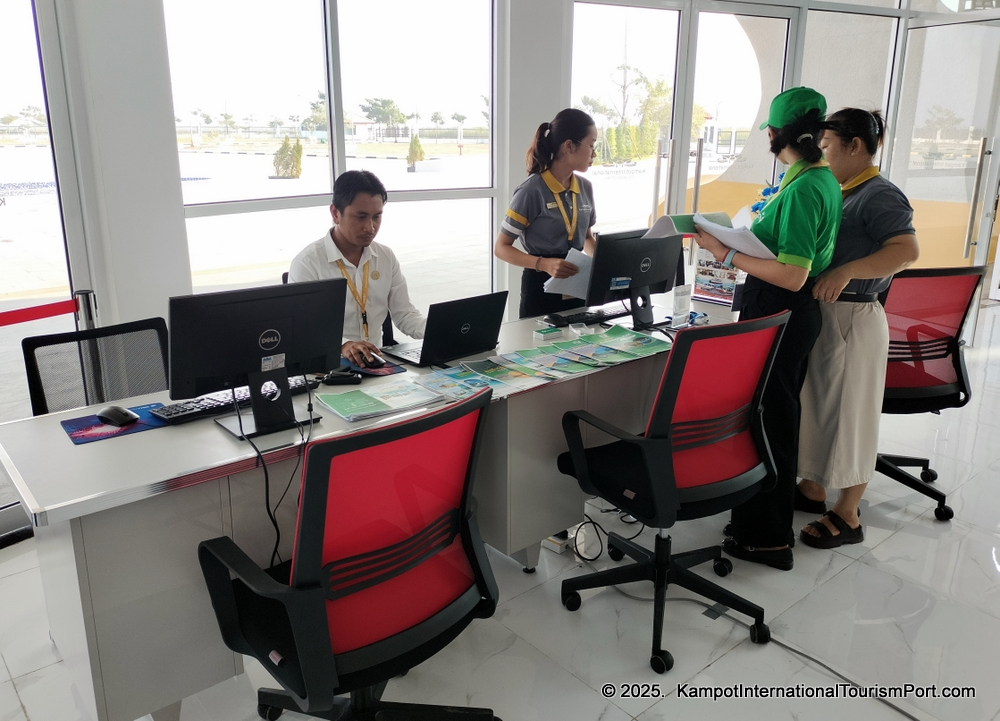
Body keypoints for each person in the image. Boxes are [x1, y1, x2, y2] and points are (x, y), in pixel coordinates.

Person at [694, 87, 842, 571]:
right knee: (771, 417)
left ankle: (768, 538)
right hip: (784, 314)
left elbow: (793, 273)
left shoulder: (803, 189)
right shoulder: (816, 179)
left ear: (777, 134)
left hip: (782, 311)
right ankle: (758, 521)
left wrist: (727, 254)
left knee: (769, 422)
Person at [795, 109, 919, 548]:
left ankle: (847, 513)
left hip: (854, 315)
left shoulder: (880, 195)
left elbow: (906, 250)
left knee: (852, 416)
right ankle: (813, 486)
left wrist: (847, 272)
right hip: (828, 314)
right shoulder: (842, 190)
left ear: (853, 146)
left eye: (827, 146)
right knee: (823, 407)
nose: (823, 154)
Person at [289, 170, 426, 367]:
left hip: (378, 364)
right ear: (335, 213)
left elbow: (405, 315)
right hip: (328, 367)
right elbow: (303, 330)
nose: (370, 227)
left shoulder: (385, 257)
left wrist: (441, 330)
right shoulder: (308, 263)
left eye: (377, 217)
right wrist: (344, 344)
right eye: (361, 217)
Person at [495, 108, 599, 318]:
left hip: (577, 282)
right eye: (591, 145)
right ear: (569, 146)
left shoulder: (585, 187)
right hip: (540, 286)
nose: (594, 153)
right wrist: (543, 264)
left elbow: (587, 237)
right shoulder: (531, 191)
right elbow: (501, 248)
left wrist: (603, 262)